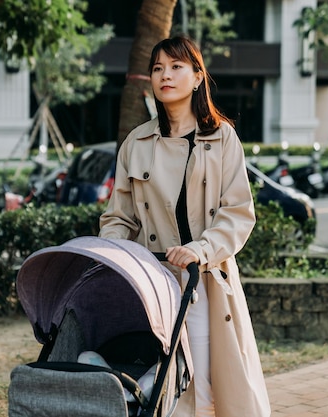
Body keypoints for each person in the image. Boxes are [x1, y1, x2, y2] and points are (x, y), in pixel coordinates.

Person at [99, 35, 271, 417]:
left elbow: (238, 212)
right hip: (153, 281)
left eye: (176, 67)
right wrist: (114, 257)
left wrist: (200, 249)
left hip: (204, 280)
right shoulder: (137, 143)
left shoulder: (222, 138)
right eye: (157, 68)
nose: (165, 75)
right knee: (160, 385)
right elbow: (118, 217)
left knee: (204, 384)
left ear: (197, 77)